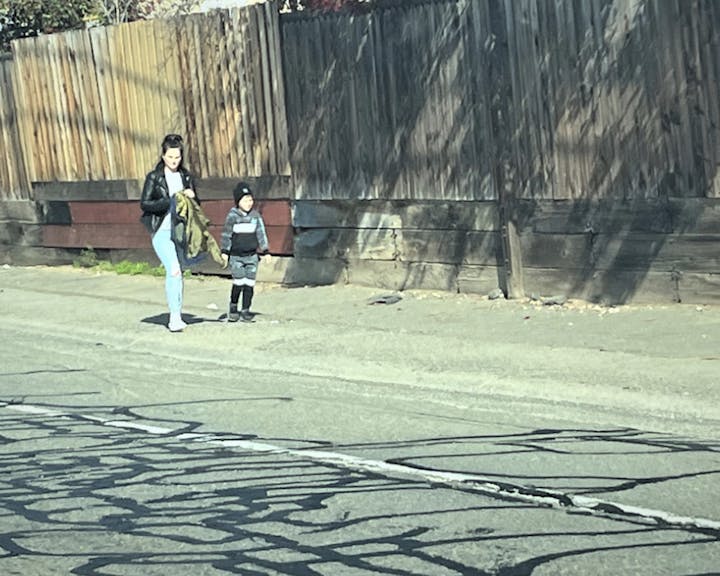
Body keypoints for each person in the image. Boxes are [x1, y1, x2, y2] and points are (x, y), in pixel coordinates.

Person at [140, 134, 197, 332]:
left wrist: (191, 197)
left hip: (180, 231)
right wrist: (170, 200)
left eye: (177, 157)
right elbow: (145, 204)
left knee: (178, 273)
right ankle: (174, 318)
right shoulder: (154, 177)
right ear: (163, 156)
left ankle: (178, 314)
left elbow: (195, 206)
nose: (174, 161)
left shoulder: (186, 176)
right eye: (170, 157)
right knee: (173, 269)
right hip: (161, 231)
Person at [220, 181, 271, 322]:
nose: (249, 202)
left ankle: (246, 309)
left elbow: (261, 234)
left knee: (249, 284)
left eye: (250, 199)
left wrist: (266, 251)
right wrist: (224, 251)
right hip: (236, 257)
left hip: (252, 257)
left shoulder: (255, 217)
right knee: (239, 282)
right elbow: (226, 235)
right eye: (245, 200)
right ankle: (233, 306)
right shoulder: (233, 216)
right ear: (238, 201)